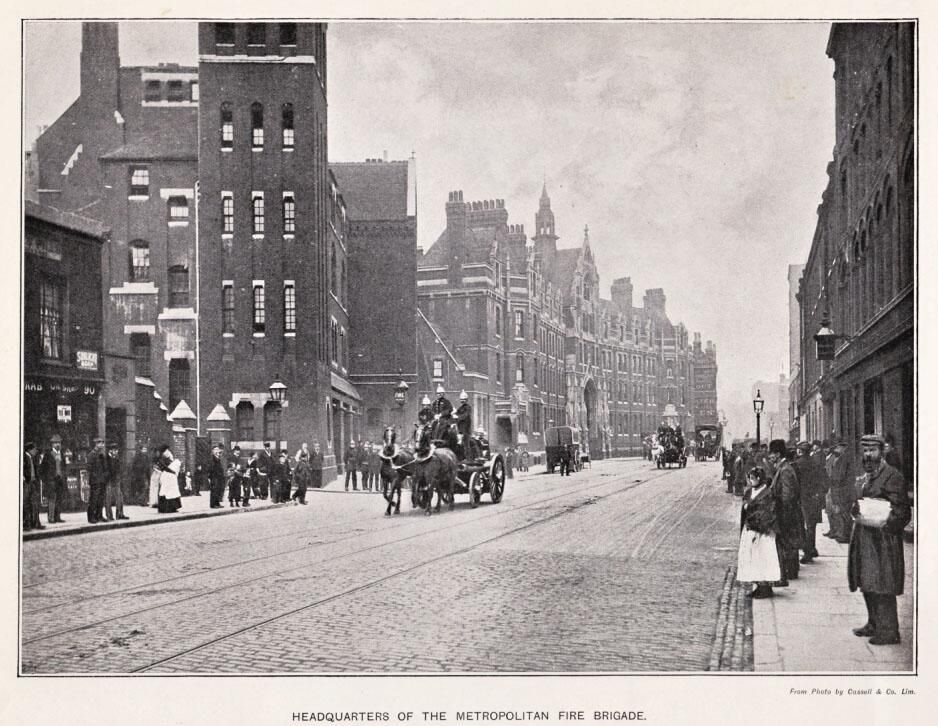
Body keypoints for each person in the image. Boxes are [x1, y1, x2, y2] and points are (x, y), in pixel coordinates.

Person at [848, 434, 911, 645]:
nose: (867, 455)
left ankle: (889, 631)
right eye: (865, 450)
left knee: (883, 585)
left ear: (882, 451)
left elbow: (902, 512)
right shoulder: (866, 476)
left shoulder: (892, 476)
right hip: (865, 537)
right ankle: (873, 623)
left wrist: (884, 522)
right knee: (867, 582)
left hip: (883, 542)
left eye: (872, 450)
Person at [737, 466, 782, 598]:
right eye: (750, 479)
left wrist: (751, 510)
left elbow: (767, 512)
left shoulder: (767, 493)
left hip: (762, 532)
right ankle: (758, 584)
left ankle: (765, 587)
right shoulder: (750, 491)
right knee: (752, 558)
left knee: (763, 558)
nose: (751, 481)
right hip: (750, 529)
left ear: (759, 478)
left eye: (753, 478)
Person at [768, 439, 802, 582]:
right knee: (788, 541)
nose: (770, 456)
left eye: (772, 453)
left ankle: (791, 571)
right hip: (786, 511)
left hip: (786, 512)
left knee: (788, 541)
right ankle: (790, 570)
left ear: (777, 454)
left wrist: (782, 513)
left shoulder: (785, 470)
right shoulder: (783, 468)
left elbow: (787, 496)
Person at [793, 441, 822, 564]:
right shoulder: (814, 462)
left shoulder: (798, 464)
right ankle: (812, 548)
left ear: (800, 451)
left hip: (803, 498)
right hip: (813, 497)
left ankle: (808, 552)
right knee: (811, 525)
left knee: (805, 525)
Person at [824, 439, 853, 543]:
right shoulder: (841, 458)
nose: (836, 449)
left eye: (838, 447)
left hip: (842, 488)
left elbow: (841, 474)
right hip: (838, 488)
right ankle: (840, 532)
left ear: (843, 447)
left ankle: (845, 535)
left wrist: (833, 479)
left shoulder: (845, 458)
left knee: (843, 512)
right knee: (838, 511)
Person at [39, 434, 66, 524]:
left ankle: (57, 516)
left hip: (60, 480)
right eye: (55, 443)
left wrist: (63, 476)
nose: (58, 445)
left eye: (59, 443)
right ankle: (51, 518)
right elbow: (42, 468)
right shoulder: (48, 454)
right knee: (52, 499)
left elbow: (64, 467)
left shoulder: (61, 454)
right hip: (51, 481)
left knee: (59, 499)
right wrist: (45, 480)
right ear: (52, 444)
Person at [105, 441, 128, 520]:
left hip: (116, 480)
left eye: (116, 450)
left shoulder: (117, 459)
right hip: (109, 481)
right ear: (110, 451)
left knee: (119, 497)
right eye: (114, 450)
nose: (116, 452)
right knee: (108, 498)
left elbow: (119, 469)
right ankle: (109, 515)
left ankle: (120, 514)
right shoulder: (106, 459)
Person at [87, 438, 109, 524]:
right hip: (95, 481)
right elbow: (89, 467)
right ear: (96, 444)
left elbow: (105, 467)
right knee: (93, 499)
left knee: (100, 499)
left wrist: (105, 475)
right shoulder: (91, 455)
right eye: (100, 443)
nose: (102, 445)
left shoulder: (101, 455)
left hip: (102, 480)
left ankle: (99, 515)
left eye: (103, 443)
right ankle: (91, 517)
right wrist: (95, 476)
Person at [23, 441, 43, 531]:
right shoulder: (24, 457)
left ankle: (36, 523)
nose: (36, 451)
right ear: (30, 449)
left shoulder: (33, 458)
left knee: (35, 503)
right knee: (26, 504)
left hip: (33, 482)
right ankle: (27, 523)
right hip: (26, 482)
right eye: (34, 449)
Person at [208, 444, 226, 508]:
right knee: (214, 490)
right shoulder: (212, 458)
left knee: (218, 490)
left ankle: (217, 503)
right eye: (215, 449)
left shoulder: (218, 457)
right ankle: (213, 504)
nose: (217, 451)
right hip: (214, 476)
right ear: (212, 451)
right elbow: (211, 468)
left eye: (217, 449)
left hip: (219, 477)